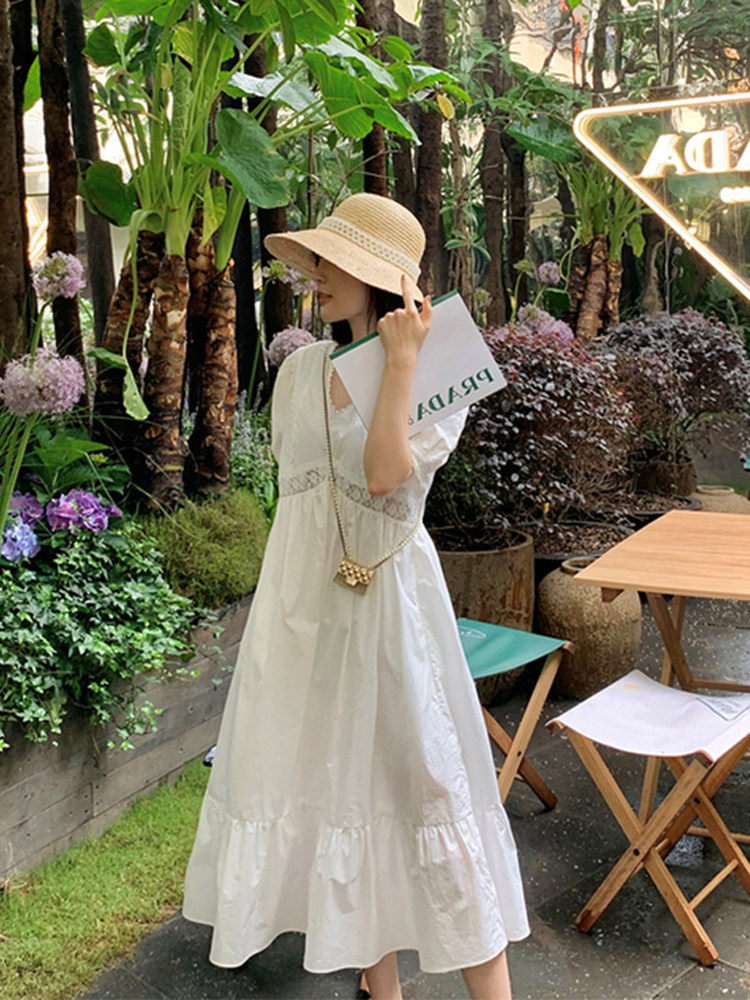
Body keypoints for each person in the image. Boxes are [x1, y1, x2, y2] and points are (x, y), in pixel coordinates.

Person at [182, 193, 529, 1000]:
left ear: (381, 278)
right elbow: (302, 496)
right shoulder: (299, 370)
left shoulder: (439, 367)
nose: (316, 275)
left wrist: (400, 361)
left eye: (333, 262)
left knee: (427, 791)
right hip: (304, 610)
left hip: (394, 612)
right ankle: (383, 989)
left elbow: (384, 477)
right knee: (335, 790)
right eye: (316, 260)